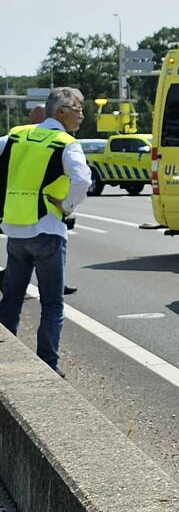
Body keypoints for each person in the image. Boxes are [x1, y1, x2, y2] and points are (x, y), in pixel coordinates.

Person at [0, 87, 91, 377]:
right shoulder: (65, 142)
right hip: (48, 229)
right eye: (78, 109)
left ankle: (4, 357)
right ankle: (47, 364)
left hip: (16, 230)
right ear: (61, 111)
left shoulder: (15, 135)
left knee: (12, 298)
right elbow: (82, 181)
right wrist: (66, 207)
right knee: (52, 303)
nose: (82, 115)